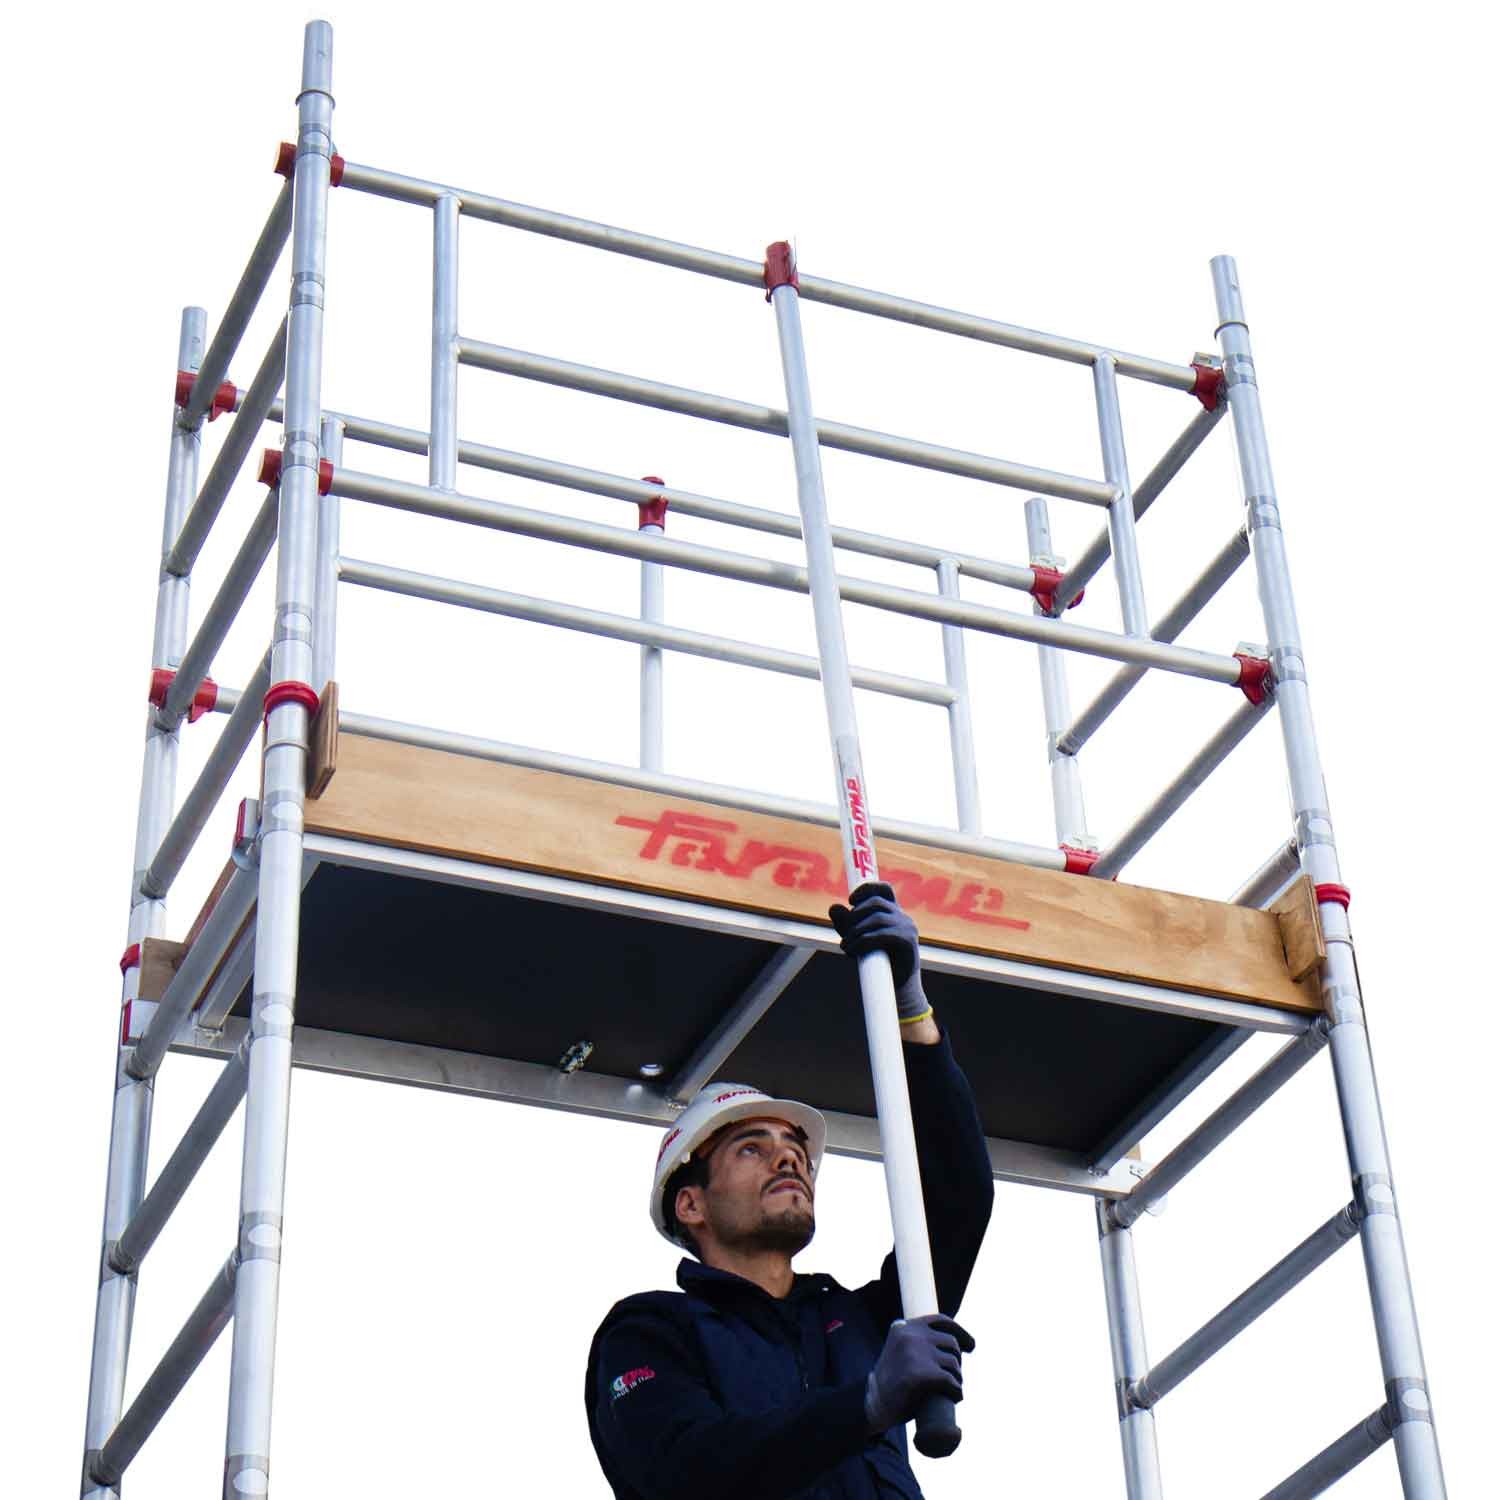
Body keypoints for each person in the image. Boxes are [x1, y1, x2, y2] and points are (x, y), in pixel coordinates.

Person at [585, 882, 995, 1500]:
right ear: (690, 1204)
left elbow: (959, 1197)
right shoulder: (650, 1333)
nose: (787, 1157)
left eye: (796, 1151)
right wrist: (866, 1403)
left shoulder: (865, 1323)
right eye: (751, 1147)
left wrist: (911, 1010)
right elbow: (685, 1472)